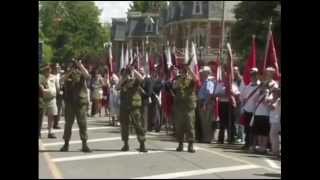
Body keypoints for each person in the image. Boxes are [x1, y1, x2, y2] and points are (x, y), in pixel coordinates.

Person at [60, 59, 92, 152]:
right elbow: (61, 80)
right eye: (72, 64)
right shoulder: (67, 74)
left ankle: (84, 144)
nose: (73, 66)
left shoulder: (81, 73)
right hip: (70, 102)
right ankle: (66, 144)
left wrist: (80, 65)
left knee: (82, 124)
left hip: (80, 103)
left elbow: (88, 76)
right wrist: (70, 72)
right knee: (68, 124)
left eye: (74, 64)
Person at [117, 66, 148, 152]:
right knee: (124, 126)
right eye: (126, 73)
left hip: (134, 106)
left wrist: (133, 70)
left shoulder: (136, 80)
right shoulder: (123, 81)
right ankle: (125, 144)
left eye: (128, 72)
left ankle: (142, 144)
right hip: (124, 106)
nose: (128, 74)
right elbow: (117, 87)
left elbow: (142, 80)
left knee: (138, 125)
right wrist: (124, 78)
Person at [251, 67, 279, 153]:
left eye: (268, 72)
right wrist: (260, 92)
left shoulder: (275, 84)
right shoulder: (262, 83)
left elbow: (274, 96)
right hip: (258, 111)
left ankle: (264, 147)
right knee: (259, 131)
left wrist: (266, 93)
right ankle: (260, 146)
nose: (266, 74)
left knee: (265, 130)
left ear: (273, 73)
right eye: (266, 72)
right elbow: (254, 99)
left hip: (267, 112)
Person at [172, 64, 198, 153]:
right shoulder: (178, 80)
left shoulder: (191, 81)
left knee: (190, 126)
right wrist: (180, 77)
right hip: (179, 107)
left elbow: (196, 79)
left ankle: (190, 144)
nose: (184, 73)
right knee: (179, 127)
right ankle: (180, 143)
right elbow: (174, 86)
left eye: (185, 72)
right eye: (183, 72)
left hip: (189, 107)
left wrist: (189, 70)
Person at [215, 69, 240, 144]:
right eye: (225, 77)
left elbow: (238, 94)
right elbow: (215, 94)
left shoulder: (233, 85)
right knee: (222, 122)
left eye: (228, 77)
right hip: (222, 104)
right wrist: (223, 94)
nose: (226, 78)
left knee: (231, 122)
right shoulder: (220, 84)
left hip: (230, 104)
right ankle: (221, 139)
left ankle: (231, 138)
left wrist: (232, 93)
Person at [239, 67, 261, 150]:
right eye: (252, 75)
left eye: (255, 75)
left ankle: (253, 144)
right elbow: (243, 97)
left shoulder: (260, 86)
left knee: (254, 129)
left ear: (258, 75)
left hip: (256, 111)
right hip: (247, 110)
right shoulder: (247, 86)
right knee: (247, 128)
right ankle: (247, 143)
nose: (253, 76)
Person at [40, 64, 59, 139]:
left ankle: (50, 132)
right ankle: (39, 132)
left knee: (51, 116)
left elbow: (57, 87)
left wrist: (57, 92)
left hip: (52, 99)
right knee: (40, 117)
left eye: (48, 69)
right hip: (42, 100)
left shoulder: (54, 77)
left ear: (50, 70)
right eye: (46, 69)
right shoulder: (40, 77)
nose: (47, 70)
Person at [197, 66, 215, 143]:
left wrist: (204, 104)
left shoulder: (209, 82)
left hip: (206, 103)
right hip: (203, 102)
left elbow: (209, 94)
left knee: (207, 122)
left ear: (207, 73)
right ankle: (205, 137)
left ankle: (207, 138)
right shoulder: (205, 82)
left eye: (203, 72)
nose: (202, 74)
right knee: (204, 122)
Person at [268, 87, 281, 157]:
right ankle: (276, 150)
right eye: (272, 92)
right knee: (275, 136)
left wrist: (270, 103)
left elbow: (272, 107)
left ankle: (275, 151)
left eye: (274, 92)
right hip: (273, 120)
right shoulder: (275, 100)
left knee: (273, 136)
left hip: (276, 121)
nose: (273, 94)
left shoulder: (278, 100)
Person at [53, 63, 63, 129]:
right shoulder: (52, 75)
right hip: (53, 94)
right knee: (53, 110)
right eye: (56, 67)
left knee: (58, 110)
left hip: (60, 94)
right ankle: (52, 123)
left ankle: (56, 123)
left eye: (58, 67)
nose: (57, 68)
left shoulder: (61, 75)